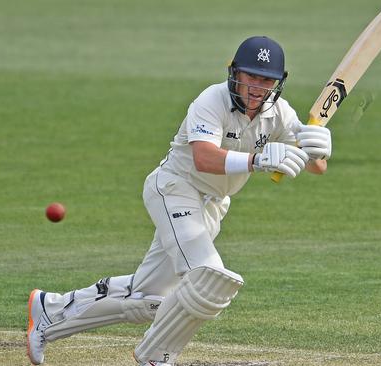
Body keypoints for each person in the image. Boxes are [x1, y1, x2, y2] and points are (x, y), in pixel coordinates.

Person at [26, 36, 332, 366]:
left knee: (148, 298)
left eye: (267, 79)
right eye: (252, 76)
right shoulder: (210, 101)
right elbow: (204, 158)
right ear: (236, 74)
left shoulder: (279, 113)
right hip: (175, 188)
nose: (259, 87)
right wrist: (256, 161)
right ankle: (156, 356)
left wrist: (315, 146)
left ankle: (52, 309)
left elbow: (316, 166)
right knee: (210, 279)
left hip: (213, 205)